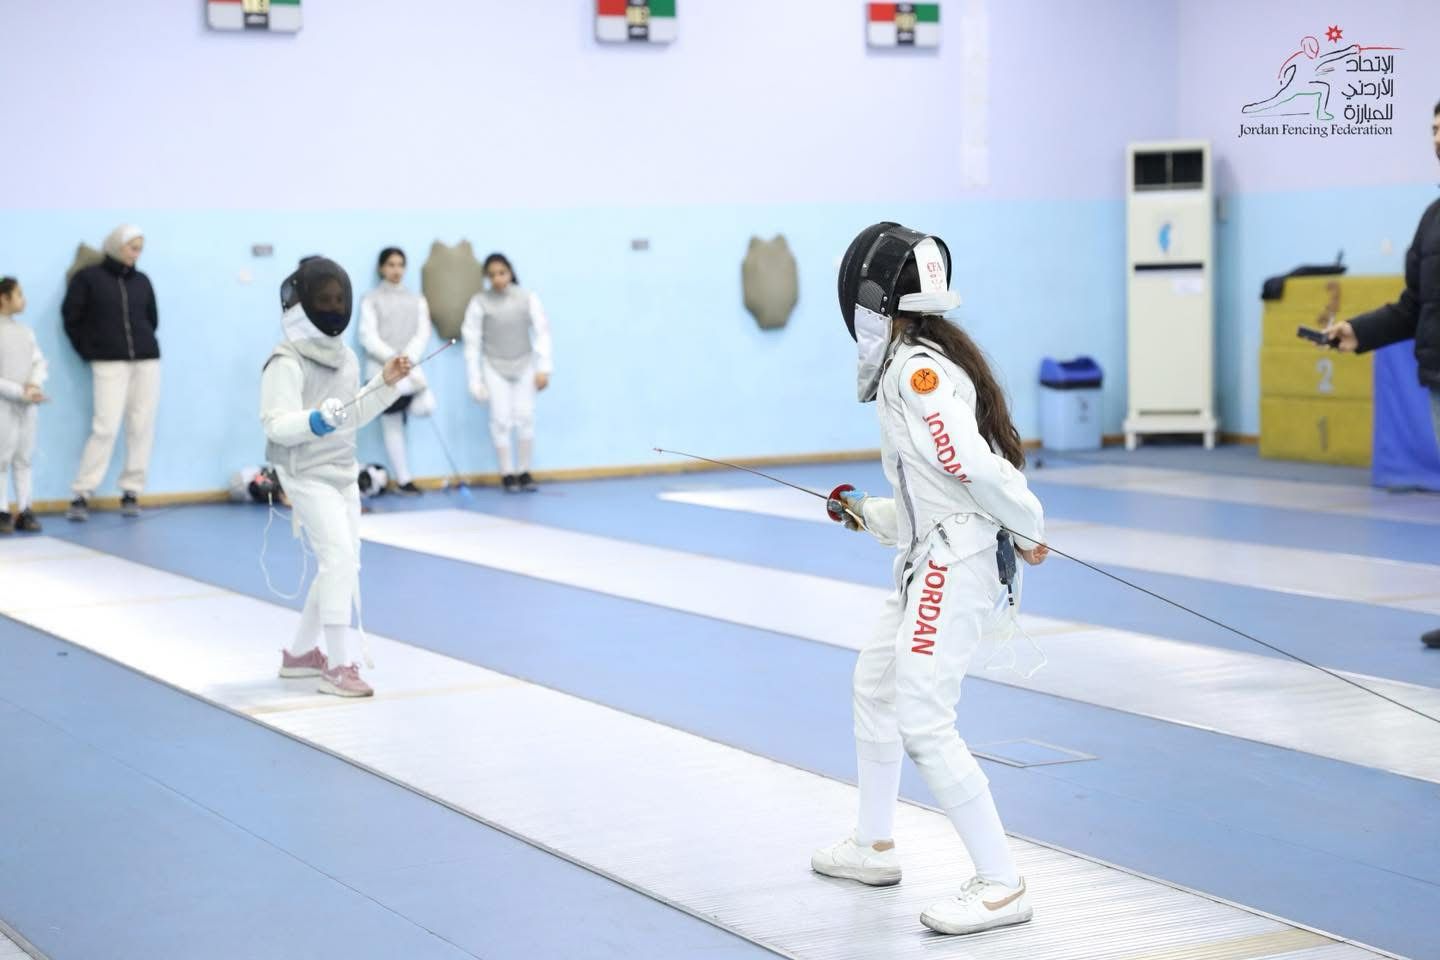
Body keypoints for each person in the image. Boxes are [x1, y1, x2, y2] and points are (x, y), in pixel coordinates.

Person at [810, 223, 1048, 936]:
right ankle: (873, 845)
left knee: (923, 717)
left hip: (953, 564)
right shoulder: (916, 364)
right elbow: (932, 497)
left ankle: (1002, 883)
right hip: (930, 554)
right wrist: (869, 513)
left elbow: (970, 466)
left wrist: (1029, 525)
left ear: (873, 302)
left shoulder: (917, 372)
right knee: (874, 685)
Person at [261, 257, 411, 698]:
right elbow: (275, 424)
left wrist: (384, 383)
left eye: (336, 299)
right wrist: (314, 420)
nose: (331, 307)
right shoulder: (285, 361)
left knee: (343, 564)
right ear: (302, 304)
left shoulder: (345, 358)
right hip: (303, 472)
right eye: (322, 299)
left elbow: (351, 414)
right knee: (339, 561)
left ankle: (300, 655)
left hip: (342, 471)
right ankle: (339, 666)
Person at [1325, 98, 1440, 650]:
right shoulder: (1432, 218)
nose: (1438, 139)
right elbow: (1414, 304)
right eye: (1434, 129)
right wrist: (1360, 331)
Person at [62, 224, 161, 520]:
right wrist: (89, 350)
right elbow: (71, 317)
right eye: (133, 247)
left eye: (140, 249)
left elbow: (151, 318)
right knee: (105, 427)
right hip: (108, 362)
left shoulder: (142, 280)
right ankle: (81, 494)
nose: (136, 254)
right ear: (117, 246)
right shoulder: (88, 278)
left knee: (141, 425)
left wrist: (143, 343)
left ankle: (131, 491)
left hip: (146, 361)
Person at [462, 253, 553, 492]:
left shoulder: (527, 298)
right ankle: (507, 474)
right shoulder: (479, 302)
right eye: (492, 275)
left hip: (525, 364)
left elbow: (542, 332)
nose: (498, 279)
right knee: (500, 419)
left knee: (525, 417)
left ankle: (524, 472)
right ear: (487, 277)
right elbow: (472, 342)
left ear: (510, 272)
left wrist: (544, 368)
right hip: (494, 365)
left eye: (502, 273)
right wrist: (475, 380)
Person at [358, 247, 434, 495]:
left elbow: (422, 333)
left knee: (427, 406)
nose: (396, 270)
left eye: (400, 264)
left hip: (409, 369)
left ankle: (404, 479)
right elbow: (367, 336)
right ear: (381, 268)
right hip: (383, 371)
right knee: (392, 424)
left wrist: (407, 358)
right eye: (390, 264)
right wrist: (393, 358)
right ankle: (404, 480)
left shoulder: (417, 300)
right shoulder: (371, 299)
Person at [0, 277, 48, 534]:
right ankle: (2, 511)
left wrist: (34, 385)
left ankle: (25, 509)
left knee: (24, 458)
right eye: (18, 294)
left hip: (27, 405)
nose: (23, 299)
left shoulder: (25, 332)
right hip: (3, 404)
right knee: (1, 458)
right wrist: (19, 392)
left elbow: (38, 362)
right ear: (3, 298)